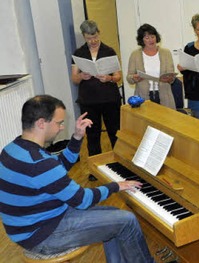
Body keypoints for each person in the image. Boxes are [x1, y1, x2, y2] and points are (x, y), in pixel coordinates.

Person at [0, 95, 153, 262]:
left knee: (115, 217)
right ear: (41, 123)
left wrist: (77, 137)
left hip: (29, 226)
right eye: (59, 123)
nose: (61, 127)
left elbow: (56, 169)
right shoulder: (39, 162)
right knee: (127, 221)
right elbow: (82, 200)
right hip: (42, 235)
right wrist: (115, 186)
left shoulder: (14, 148)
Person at [70, 20, 121, 175]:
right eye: (89, 38)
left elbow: (118, 76)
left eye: (95, 37)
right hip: (88, 101)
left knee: (115, 132)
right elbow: (74, 79)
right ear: (84, 37)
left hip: (109, 99)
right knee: (92, 136)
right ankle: (96, 169)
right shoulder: (79, 54)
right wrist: (81, 76)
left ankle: (119, 165)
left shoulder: (109, 51)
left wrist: (109, 78)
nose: (92, 41)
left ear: (99, 33)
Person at [126, 23, 177, 109]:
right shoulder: (135, 55)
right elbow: (129, 77)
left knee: (165, 120)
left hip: (164, 95)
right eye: (147, 38)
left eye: (153, 37)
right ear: (142, 40)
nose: (151, 40)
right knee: (146, 122)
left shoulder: (166, 53)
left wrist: (170, 78)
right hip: (143, 96)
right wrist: (134, 78)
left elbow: (171, 76)